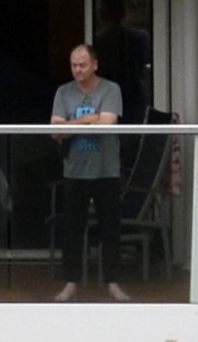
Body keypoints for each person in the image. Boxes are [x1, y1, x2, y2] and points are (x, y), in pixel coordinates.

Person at [50, 42, 128, 303]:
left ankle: (113, 282)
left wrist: (72, 124)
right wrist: (86, 119)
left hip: (107, 170)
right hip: (74, 170)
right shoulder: (63, 92)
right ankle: (70, 283)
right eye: (74, 65)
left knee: (110, 229)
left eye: (83, 65)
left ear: (95, 64)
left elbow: (106, 125)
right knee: (73, 229)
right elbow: (55, 132)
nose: (78, 70)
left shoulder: (111, 89)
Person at [91, 0, 152, 123]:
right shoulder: (140, 37)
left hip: (113, 97)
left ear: (101, 14)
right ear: (124, 13)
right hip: (134, 97)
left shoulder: (98, 41)